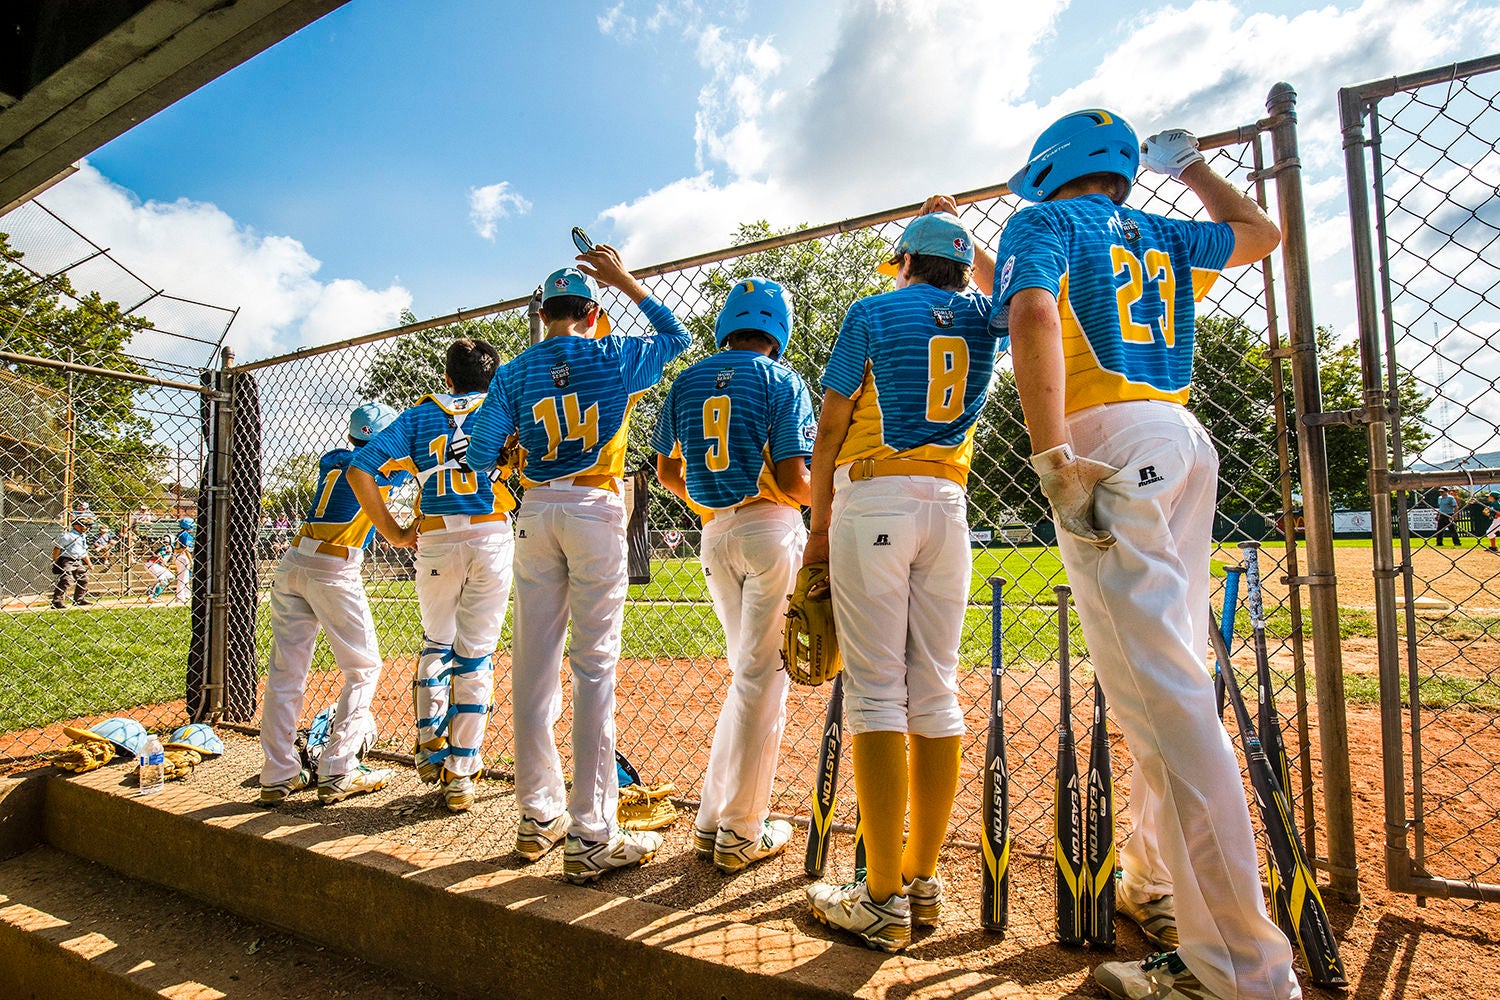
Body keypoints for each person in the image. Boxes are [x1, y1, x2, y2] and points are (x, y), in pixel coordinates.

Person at [993, 111, 1294, 1000]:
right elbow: (1260, 235)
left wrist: (1051, 455)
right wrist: (1194, 167)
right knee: (1176, 682)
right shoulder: (1154, 228)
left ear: (1051, 169)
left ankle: (1241, 970)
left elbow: (1035, 309)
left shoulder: (1042, 220)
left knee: (1167, 702)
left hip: (1107, 443)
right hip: (1181, 437)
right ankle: (1157, 884)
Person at [800, 201, 999, 952]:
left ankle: (878, 896)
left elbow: (828, 425)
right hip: (949, 502)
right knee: (937, 685)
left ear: (907, 262)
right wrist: (968, 239)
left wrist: (817, 530)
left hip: (874, 494)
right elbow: (1012, 296)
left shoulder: (875, 308)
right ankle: (920, 883)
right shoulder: (985, 315)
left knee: (879, 689)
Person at [466, 244, 690, 882]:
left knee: (534, 666)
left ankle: (538, 814)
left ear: (542, 312)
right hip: (595, 505)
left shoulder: (512, 373)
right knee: (594, 668)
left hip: (535, 511)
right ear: (592, 313)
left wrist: (511, 454)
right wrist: (627, 282)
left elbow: (480, 457)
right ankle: (592, 833)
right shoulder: (613, 354)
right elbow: (676, 336)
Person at [651, 275, 816, 872]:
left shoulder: (687, 380)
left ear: (726, 325)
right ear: (780, 331)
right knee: (763, 679)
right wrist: (830, 505)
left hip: (715, 531)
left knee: (747, 675)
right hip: (770, 528)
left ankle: (712, 819)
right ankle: (742, 831)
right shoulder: (781, 378)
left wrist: (708, 500)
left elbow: (667, 469)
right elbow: (797, 480)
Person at [348, 339, 515, 814]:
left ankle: (427, 742)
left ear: (448, 380)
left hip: (436, 537)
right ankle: (461, 771)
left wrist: (395, 531)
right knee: (476, 654)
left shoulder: (420, 415)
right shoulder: (503, 405)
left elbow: (361, 467)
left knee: (437, 643)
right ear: (493, 376)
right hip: (489, 534)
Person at [258, 402, 409, 806]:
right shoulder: (374, 465)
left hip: (293, 562)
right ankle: (340, 769)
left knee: (286, 670)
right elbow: (404, 463)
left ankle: (278, 772)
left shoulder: (335, 460)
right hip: (332, 567)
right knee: (364, 668)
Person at [51, 511, 95, 608]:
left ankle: (79, 599)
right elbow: (57, 548)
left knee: (83, 579)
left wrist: (89, 563)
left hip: (77, 560)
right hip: (67, 560)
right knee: (66, 579)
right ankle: (57, 601)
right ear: (76, 526)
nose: (86, 528)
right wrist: (55, 560)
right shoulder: (68, 536)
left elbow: (83, 552)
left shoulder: (82, 536)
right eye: (84, 525)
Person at [172, 517, 194, 604]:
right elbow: (186, 549)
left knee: (185, 577)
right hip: (183, 556)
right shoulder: (186, 535)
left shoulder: (180, 534)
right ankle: (180, 597)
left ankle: (186, 595)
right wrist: (191, 560)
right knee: (183, 578)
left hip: (178, 555)